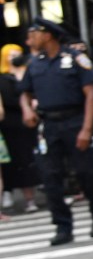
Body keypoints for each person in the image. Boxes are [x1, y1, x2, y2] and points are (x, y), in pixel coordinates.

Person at [19, 17, 93, 245]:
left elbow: (90, 94)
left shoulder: (76, 59)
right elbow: (24, 92)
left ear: (47, 35)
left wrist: (87, 129)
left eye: (34, 33)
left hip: (75, 121)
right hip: (49, 125)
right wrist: (27, 109)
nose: (31, 39)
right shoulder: (34, 62)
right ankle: (62, 226)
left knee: (86, 173)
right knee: (50, 177)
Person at [0, 44, 40, 214]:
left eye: (17, 54)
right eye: (11, 54)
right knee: (14, 160)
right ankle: (9, 191)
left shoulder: (28, 73)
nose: (15, 57)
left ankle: (35, 194)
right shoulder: (2, 78)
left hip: (31, 121)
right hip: (12, 123)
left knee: (34, 156)